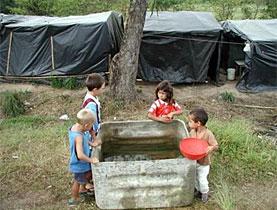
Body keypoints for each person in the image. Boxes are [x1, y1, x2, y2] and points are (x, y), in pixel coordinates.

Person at [68, 109, 100, 207]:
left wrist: (92, 140)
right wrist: (92, 160)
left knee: (85, 176)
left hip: (81, 163)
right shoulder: (79, 136)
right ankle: (74, 199)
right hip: (79, 164)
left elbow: (83, 140)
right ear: (86, 125)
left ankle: (83, 189)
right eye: (91, 125)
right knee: (77, 181)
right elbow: (80, 155)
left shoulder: (75, 128)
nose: (91, 127)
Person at [187, 108, 218, 203]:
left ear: (198, 123)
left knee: (202, 179)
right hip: (194, 160)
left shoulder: (208, 134)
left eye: (190, 121)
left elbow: (216, 145)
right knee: (195, 177)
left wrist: (211, 148)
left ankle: (205, 193)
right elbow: (189, 142)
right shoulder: (192, 132)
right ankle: (198, 190)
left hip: (204, 163)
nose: (188, 123)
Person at [81, 73, 105, 191]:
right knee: (89, 157)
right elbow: (90, 122)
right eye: (102, 88)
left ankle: (87, 181)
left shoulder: (92, 97)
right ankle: (85, 183)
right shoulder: (91, 103)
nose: (103, 90)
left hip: (91, 131)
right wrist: (94, 137)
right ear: (95, 89)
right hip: (89, 134)